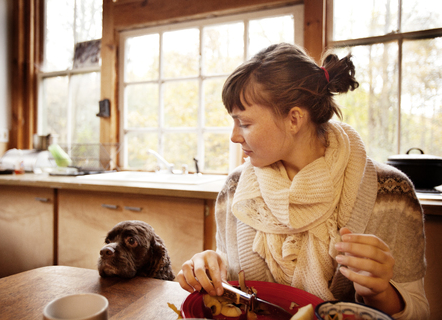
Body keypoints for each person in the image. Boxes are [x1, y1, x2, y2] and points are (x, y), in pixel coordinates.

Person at [177, 43, 429, 319]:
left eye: (244, 123)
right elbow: (231, 288)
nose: (234, 136)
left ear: (294, 119)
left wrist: (381, 293)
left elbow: (419, 312)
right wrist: (211, 266)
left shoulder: (392, 193)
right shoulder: (235, 191)